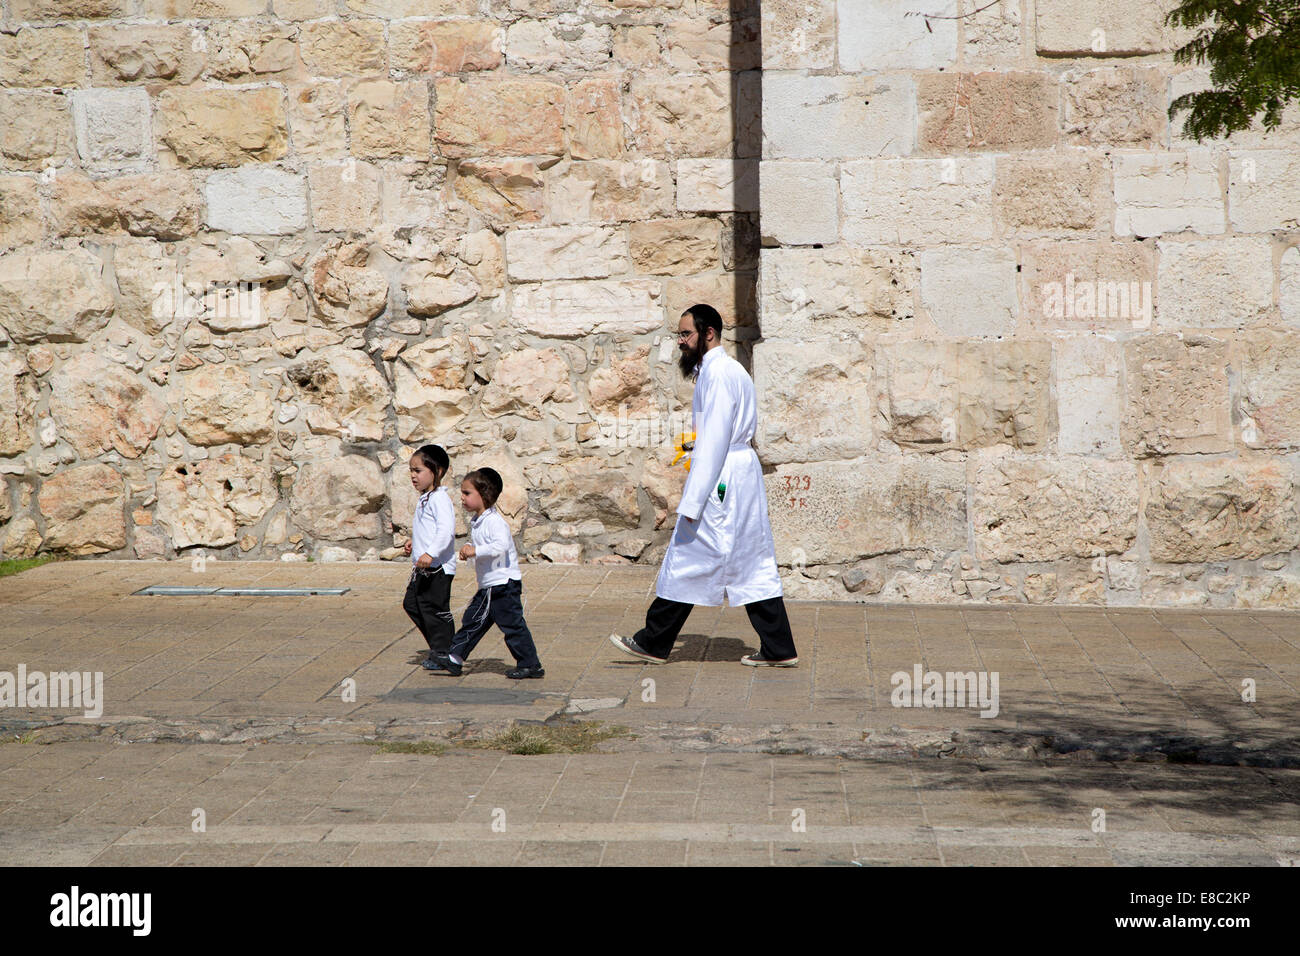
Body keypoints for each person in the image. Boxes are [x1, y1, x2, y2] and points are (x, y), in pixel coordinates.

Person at [609, 303, 799, 666]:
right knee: (747, 559)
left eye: (686, 334)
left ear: (708, 333)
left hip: (722, 477)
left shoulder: (719, 374)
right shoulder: (726, 370)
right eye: (679, 334)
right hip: (735, 473)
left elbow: (714, 440)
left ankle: (654, 641)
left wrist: (692, 502)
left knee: (688, 554)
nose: (680, 341)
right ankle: (778, 647)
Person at [431, 467, 545, 680]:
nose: (462, 498)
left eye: (467, 493)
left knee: (512, 626)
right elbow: (481, 543)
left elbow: (500, 546)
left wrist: (476, 551)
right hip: (489, 586)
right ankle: (455, 657)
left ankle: (530, 664)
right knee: (473, 620)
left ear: (484, 495)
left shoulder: (494, 522)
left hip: (503, 585)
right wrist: (469, 547)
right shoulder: (478, 521)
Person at [402, 445, 457, 669]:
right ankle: (440, 647)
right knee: (412, 604)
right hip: (424, 566)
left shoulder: (439, 499)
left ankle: (445, 652)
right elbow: (430, 529)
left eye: (419, 470)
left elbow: (446, 531)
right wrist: (416, 543)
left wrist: (430, 552)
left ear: (438, 471)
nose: (413, 476)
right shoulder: (426, 498)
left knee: (435, 610)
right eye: (411, 470)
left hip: (438, 567)